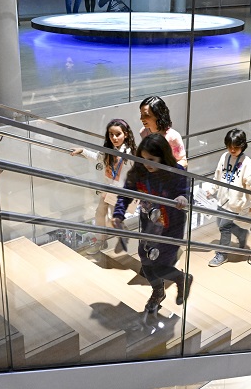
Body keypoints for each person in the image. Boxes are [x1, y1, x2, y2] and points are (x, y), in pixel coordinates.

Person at [113, 133, 192, 313]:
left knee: (159, 266)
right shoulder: (140, 171)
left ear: (162, 157)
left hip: (171, 227)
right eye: (143, 158)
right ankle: (158, 292)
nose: (146, 163)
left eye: (151, 159)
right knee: (146, 262)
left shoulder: (176, 172)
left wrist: (182, 197)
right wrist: (119, 214)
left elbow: (186, 192)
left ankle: (181, 279)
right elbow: (126, 193)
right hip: (150, 226)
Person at [71, 118, 137, 254]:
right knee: (99, 213)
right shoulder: (108, 150)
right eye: (111, 134)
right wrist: (82, 151)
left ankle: (124, 237)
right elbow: (97, 157)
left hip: (119, 193)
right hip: (107, 189)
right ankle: (101, 241)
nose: (114, 138)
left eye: (117, 134)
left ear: (126, 134)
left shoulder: (129, 154)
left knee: (114, 218)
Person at [205, 129, 251, 267]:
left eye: (236, 146)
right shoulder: (225, 157)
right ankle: (241, 234)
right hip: (222, 198)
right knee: (221, 224)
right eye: (229, 146)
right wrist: (212, 189)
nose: (232, 149)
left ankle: (222, 254)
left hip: (235, 202)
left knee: (224, 227)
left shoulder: (246, 162)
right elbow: (218, 176)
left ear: (243, 145)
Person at [139, 95, 188, 168]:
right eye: (141, 114)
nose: (141, 118)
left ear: (158, 115)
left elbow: (183, 161)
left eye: (146, 115)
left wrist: (168, 171)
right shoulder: (143, 132)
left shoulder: (173, 136)